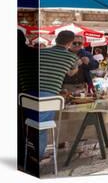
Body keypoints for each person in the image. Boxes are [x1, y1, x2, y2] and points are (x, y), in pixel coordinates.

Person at [34, 30, 79, 159]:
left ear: (56, 39)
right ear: (70, 43)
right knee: (41, 127)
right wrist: (77, 66)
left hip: (29, 92)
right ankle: (38, 155)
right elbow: (71, 73)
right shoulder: (72, 57)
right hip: (49, 96)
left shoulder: (41, 52)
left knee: (31, 123)